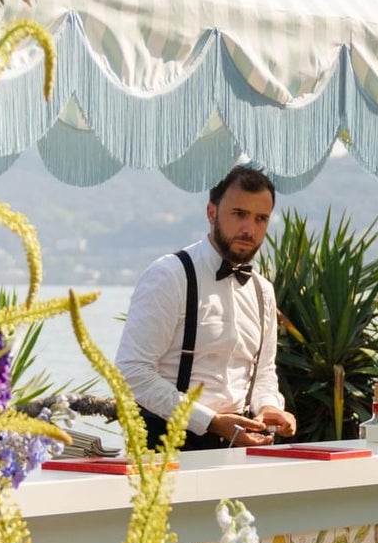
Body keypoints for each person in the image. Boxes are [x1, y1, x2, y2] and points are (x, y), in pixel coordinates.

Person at [115, 165, 298, 450]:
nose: (249, 229)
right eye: (239, 214)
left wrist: (270, 406)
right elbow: (131, 372)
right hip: (168, 446)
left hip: (241, 447)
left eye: (261, 219)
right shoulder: (170, 276)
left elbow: (263, 373)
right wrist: (209, 420)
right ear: (212, 212)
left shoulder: (263, 290)